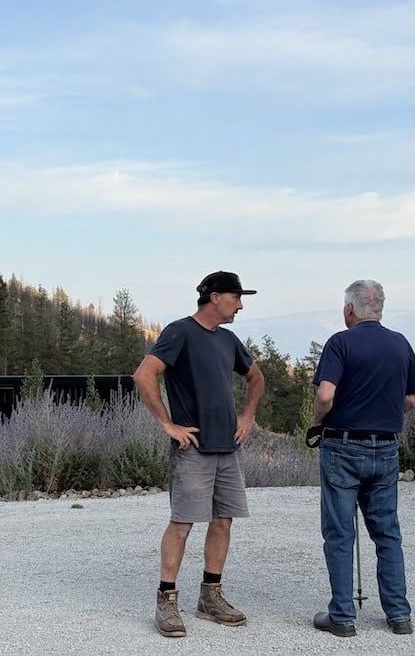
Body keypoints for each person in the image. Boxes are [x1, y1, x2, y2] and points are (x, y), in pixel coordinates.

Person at [132, 270, 265, 638]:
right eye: (236, 297)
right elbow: (144, 375)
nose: (240, 305)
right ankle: (167, 599)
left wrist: (248, 415)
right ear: (215, 296)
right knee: (183, 522)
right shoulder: (180, 332)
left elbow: (256, 377)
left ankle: (210, 597)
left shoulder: (228, 339)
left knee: (223, 521)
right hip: (193, 448)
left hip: (228, 447)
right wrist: (168, 424)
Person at [309, 279, 415, 638]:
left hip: (342, 445)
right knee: (387, 533)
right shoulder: (400, 343)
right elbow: (413, 401)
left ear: (349, 310)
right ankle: (399, 615)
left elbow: (325, 394)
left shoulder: (340, 343)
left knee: (340, 533)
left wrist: (316, 421)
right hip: (385, 447)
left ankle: (342, 618)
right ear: (380, 309)